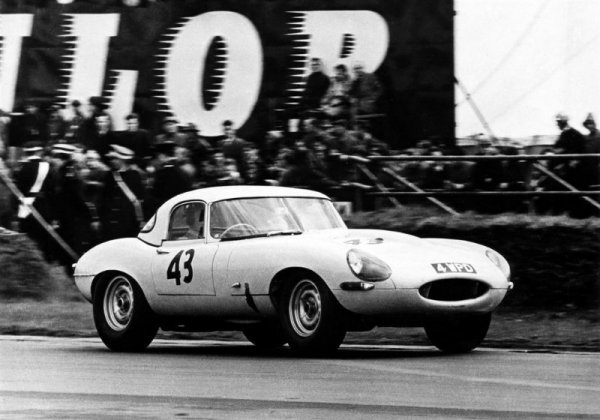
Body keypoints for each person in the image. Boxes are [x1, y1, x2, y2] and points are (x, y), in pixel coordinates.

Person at [14, 142, 57, 260]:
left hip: (24, 208)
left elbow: (18, 190)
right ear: (39, 152)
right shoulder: (48, 167)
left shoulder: (20, 168)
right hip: (43, 207)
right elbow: (52, 191)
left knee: (27, 238)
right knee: (43, 239)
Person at [99, 144, 146, 240]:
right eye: (111, 159)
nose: (111, 161)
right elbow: (104, 199)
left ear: (123, 160)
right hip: (110, 223)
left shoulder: (134, 175)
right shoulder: (109, 176)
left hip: (127, 222)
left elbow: (141, 199)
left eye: (115, 159)